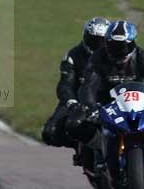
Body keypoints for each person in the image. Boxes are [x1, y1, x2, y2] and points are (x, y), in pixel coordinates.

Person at [74, 20, 144, 140]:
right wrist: (90, 106)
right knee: (78, 125)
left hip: (139, 102)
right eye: (114, 46)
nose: (119, 51)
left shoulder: (142, 56)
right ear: (106, 44)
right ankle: (97, 150)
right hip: (107, 102)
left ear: (132, 44)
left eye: (123, 46)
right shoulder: (97, 57)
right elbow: (88, 85)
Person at [42, 17, 110, 148]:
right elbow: (65, 84)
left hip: (106, 100)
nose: (97, 45)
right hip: (78, 101)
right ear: (85, 37)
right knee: (50, 133)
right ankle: (80, 146)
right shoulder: (73, 55)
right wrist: (71, 102)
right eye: (93, 40)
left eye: (101, 41)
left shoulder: (113, 55)